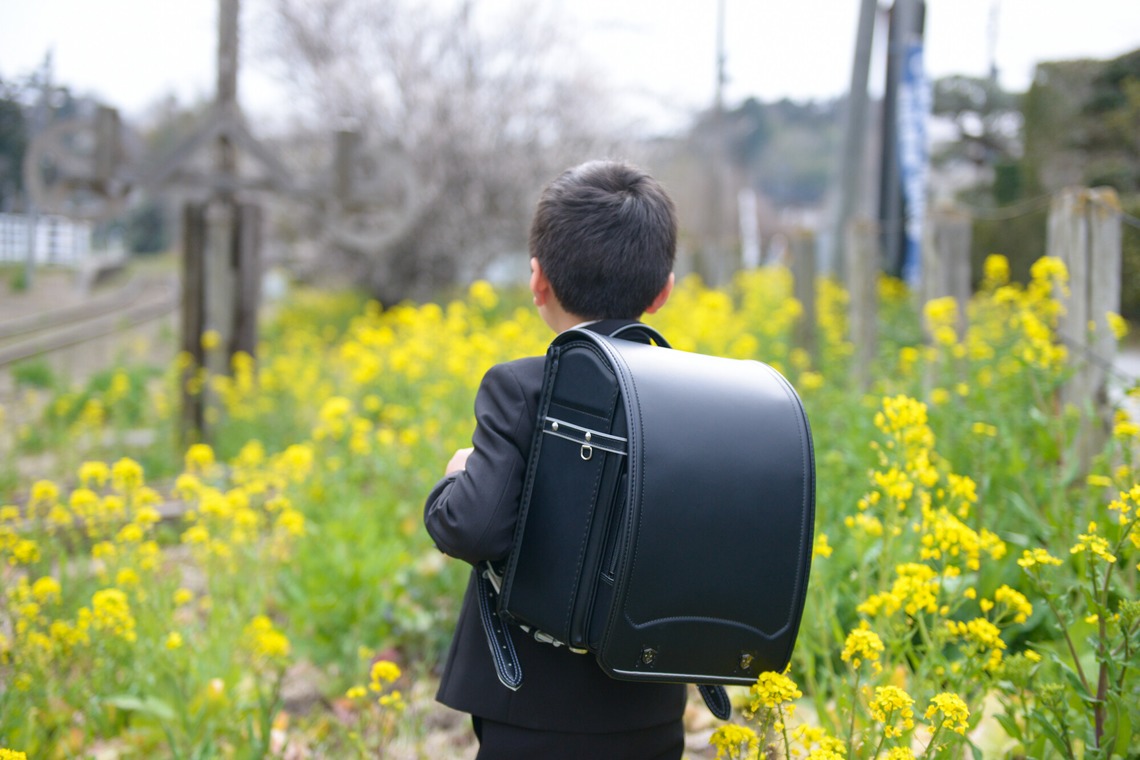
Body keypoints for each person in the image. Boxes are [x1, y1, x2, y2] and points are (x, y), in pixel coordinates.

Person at [423, 159, 686, 760]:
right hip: (651, 698)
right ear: (664, 290)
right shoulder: (695, 395)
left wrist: (454, 481)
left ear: (538, 282)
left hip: (531, 707)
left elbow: (475, 524)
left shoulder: (520, 388)